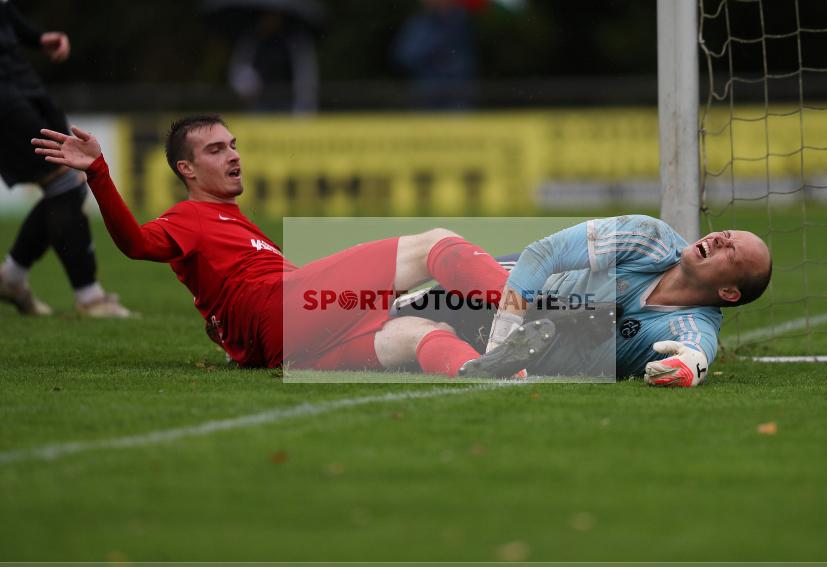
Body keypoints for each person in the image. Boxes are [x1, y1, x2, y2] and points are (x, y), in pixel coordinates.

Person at [31, 115, 554, 377]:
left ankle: (500, 376)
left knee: (417, 333)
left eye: (234, 145)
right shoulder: (188, 217)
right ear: (186, 169)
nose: (233, 156)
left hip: (287, 348)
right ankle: (520, 316)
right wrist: (99, 173)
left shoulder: (236, 223)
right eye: (216, 150)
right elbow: (135, 244)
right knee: (435, 243)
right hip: (278, 314)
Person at [396, 215, 773, 386]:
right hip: (513, 296)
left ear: (729, 293)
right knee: (415, 302)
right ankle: (505, 342)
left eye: (731, 252)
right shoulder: (650, 237)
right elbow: (543, 254)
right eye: (726, 234)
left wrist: (688, 367)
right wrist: (503, 337)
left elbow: (697, 351)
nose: (721, 240)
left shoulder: (692, 324)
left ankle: (487, 353)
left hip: (537, 350)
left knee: (412, 338)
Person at [0, 0, 130, 317]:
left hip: (18, 72)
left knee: (70, 175)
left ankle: (12, 279)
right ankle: (89, 297)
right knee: (65, 178)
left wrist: (35, 37)